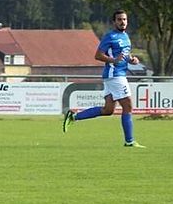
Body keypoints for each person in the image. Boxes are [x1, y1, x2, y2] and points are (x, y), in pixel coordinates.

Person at [62, 9, 146, 148]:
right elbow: (98, 55)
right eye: (119, 19)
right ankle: (129, 141)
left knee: (108, 110)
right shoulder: (110, 37)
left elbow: (124, 54)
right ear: (114, 22)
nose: (122, 22)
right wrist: (113, 60)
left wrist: (132, 60)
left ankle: (74, 116)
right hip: (115, 75)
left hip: (115, 75)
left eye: (124, 19)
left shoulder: (125, 36)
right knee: (128, 106)